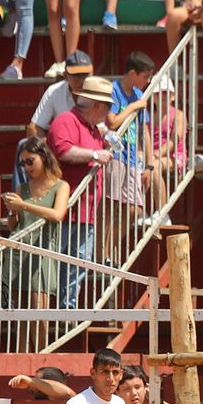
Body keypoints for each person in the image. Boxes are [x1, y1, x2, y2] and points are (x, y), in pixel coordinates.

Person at [48, 75, 116, 309]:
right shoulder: (66, 120)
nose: (109, 112)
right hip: (64, 210)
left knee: (77, 264)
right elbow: (62, 151)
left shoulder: (93, 129)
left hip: (84, 212)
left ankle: (68, 309)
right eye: (107, 106)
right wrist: (95, 154)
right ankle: (53, 312)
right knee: (54, 263)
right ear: (97, 105)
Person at [1, 138, 70, 343]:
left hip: (43, 252)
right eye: (23, 163)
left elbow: (58, 215)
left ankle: (40, 355)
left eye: (30, 161)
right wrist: (13, 212)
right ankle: (22, 357)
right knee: (21, 314)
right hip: (19, 251)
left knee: (40, 309)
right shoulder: (23, 188)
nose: (27, 167)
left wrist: (23, 205)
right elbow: (15, 226)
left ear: (44, 157)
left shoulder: (61, 185)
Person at [104, 52, 156, 251]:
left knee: (135, 209)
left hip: (133, 157)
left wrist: (149, 165)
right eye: (145, 77)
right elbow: (112, 121)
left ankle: (109, 248)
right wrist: (133, 106)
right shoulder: (115, 89)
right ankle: (104, 252)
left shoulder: (139, 95)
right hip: (116, 154)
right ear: (132, 73)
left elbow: (145, 132)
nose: (147, 81)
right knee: (111, 204)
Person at [26, 50, 94, 139]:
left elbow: (103, 130)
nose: (81, 80)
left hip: (92, 147)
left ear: (92, 73)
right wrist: (50, 150)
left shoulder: (100, 91)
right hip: (63, 144)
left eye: (85, 75)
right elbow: (34, 128)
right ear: (65, 76)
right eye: (76, 75)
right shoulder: (54, 91)